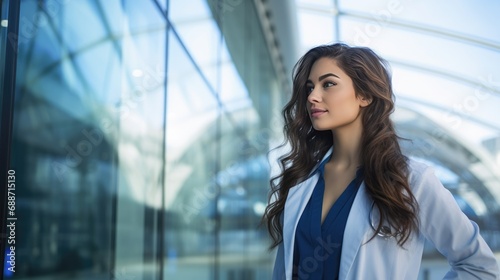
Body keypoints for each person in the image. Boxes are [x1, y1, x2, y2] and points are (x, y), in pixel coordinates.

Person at [263, 43, 500, 280]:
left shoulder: (412, 181)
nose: (313, 96)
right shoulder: (301, 179)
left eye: (328, 84)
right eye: (309, 87)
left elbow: (478, 266)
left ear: (365, 95)